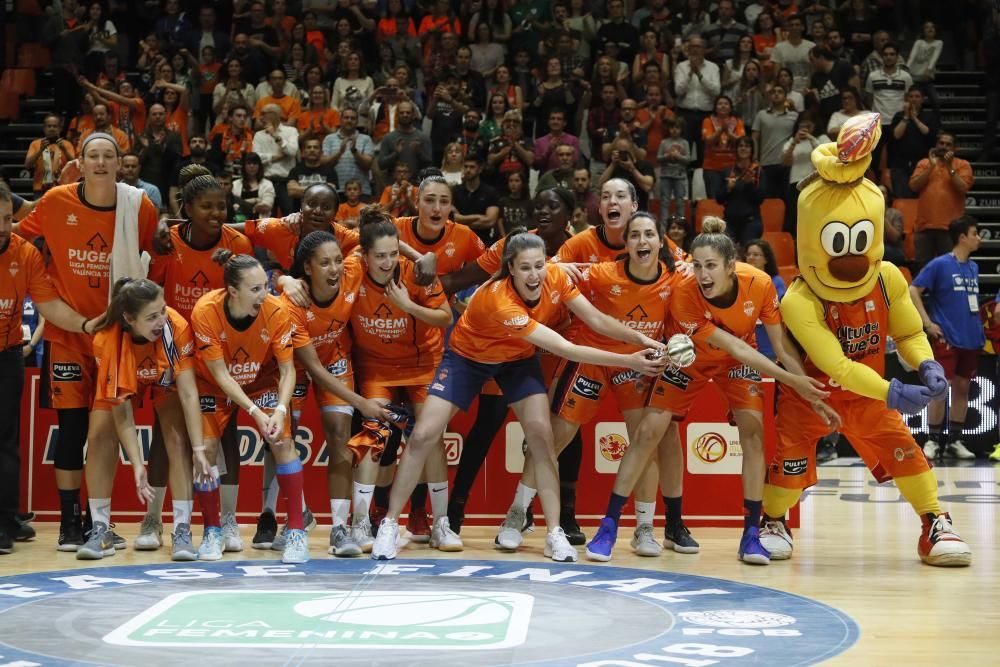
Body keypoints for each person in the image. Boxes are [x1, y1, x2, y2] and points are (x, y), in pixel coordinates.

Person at [371, 228, 668, 561]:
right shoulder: (499, 299)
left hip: (516, 360)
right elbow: (565, 347)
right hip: (469, 359)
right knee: (424, 434)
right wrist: (629, 360)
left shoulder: (555, 276)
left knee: (542, 436)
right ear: (510, 268)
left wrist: (642, 340)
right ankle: (390, 526)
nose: (535, 274)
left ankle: (554, 532)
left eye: (539, 265)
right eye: (525, 267)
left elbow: (597, 319)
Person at [761, 113, 971, 568]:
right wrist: (895, 390)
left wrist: (926, 364)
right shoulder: (800, 296)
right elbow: (835, 365)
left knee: (907, 453)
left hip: (868, 394)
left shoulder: (888, 276)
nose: (852, 255)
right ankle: (772, 519)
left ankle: (935, 523)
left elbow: (909, 331)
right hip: (812, 395)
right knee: (788, 474)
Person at [590, 216, 831, 564]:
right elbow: (737, 347)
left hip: (737, 364)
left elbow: (780, 348)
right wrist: (793, 381)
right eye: (698, 265)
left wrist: (807, 390)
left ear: (731, 266)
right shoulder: (685, 293)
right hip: (691, 358)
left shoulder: (760, 284)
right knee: (648, 432)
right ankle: (609, 525)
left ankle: (751, 534)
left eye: (711, 267)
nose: (703, 275)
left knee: (753, 435)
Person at [14, 134, 166, 551]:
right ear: (79, 164)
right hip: (68, 334)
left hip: (116, 338)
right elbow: (17, 241)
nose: (100, 163)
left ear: (120, 164)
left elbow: (156, 257)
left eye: (108, 156)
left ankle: (99, 521)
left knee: (107, 432)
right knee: (71, 428)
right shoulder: (55, 202)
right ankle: (69, 522)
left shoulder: (140, 206)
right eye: (93, 156)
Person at [501, 212, 681, 559]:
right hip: (593, 359)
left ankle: (644, 528)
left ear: (662, 242)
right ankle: (518, 513)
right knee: (553, 438)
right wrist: (555, 266)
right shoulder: (601, 273)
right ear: (625, 244)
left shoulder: (677, 278)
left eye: (649, 235)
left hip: (638, 366)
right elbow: (549, 274)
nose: (642, 242)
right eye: (635, 236)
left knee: (645, 444)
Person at [441, 187, 574, 531]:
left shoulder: (580, 248)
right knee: (488, 422)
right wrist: (423, 287)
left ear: (568, 215)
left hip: (556, 348)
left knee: (563, 429)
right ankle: (456, 507)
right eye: (538, 206)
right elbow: (465, 278)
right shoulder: (513, 246)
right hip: (511, 349)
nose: (543, 212)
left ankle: (560, 516)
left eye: (552, 206)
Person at [139, 170, 253, 551]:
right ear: (187, 209)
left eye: (222, 206)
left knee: (227, 437)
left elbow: (248, 303)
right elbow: (153, 295)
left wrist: (233, 268)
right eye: (206, 206)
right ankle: (152, 520)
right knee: (164, 435)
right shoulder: (166, 242)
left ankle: (228, 521)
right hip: (173, 348)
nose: (216, 213)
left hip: (219, 352)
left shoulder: (238, 244)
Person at [0, 182, 114, 553]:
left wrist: (84, 324)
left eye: (6, 219)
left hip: (8, 354)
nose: (2, 227)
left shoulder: (26, 254)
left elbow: (48, 305)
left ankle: (6, 518)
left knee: (7, 441)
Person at [349, 207, 457, 551]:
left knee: (430, 437)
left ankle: (441, 523)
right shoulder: (352, 271)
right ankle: (361, 524)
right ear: (363, 255)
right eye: (379, 256)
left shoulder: (415, 274)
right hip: (377, 369)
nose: (387, 262)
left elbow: (444, 318)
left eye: (393, 254)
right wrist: (285, 280)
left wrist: (408, 306)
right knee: (375, 435)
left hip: (422, 364)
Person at [190, 250, 306, 564]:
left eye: (265, 286)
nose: (263, 295)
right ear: (232, 291)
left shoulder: (276, 310)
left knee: (282, 439)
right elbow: (220, 374)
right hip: (214, 385)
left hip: (261, 380)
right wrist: (254, 411)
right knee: (207, 448)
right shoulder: (205, 312)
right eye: (255, 289)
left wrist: (280, 410)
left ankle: (296, 531)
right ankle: (213, 530)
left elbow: (287, 371)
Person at [282, 230, 392, 555]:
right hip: (297, 366)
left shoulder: (352, 271)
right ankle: (291, 519)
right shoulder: (292, 305)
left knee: (340, 434)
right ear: (307, 268)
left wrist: (420, 257)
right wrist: (362, 403)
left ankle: (340, 529)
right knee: (285, 438)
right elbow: (312, 368)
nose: (333, 269)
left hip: (336, 359)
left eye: (336, 262)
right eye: (324, 263)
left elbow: (383, 236)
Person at [84, 278, 205, 561]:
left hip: (166, 382)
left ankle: (182, 529)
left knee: (177, 438)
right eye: (151, 317)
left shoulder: (176, 328)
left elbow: (189, 395)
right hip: (128, 378)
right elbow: (122, 412)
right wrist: (138, 465)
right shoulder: (106, 341)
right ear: (129, 319)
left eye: (162, 310)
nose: (161, 320)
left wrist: (199, 449)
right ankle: (100, 529)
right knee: (99, 434)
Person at [910, 217, 983, 461]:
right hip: (947, 337)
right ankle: (932, 439)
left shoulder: (973, 267)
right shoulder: (939, 265)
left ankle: (954, 440)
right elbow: (913, 290)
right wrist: (928, 323)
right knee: (941, 388)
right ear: (962, 237)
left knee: (963, 388)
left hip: (971, 338)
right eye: (975, 233)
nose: (979, 238)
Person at [909, 132, 974, 267]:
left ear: (955, 149)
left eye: (948, 144)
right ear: (936, 145)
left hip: (950, 229)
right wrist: (932, 166)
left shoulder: (963, 165)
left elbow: (963, 188)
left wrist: (950, 167)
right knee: (922, 270)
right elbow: (913, 186)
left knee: (951, 269)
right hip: (924, 226)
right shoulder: (924, 163)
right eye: (941, 143)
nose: (944, 147)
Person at [886, 86, 938, 199]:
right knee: (903, 200)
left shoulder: (929, 116)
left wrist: (914, 119)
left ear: (923, 99)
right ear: (907, 99)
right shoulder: (899, 116)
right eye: (911, 96)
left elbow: (929, 134)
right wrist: (906, 117)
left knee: (923, 199)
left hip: (923, 165)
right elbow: (896, 135)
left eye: (917, 96)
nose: (914, 99)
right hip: (901, 166)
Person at [674, 36, 721, 155]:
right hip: (685, 114)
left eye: (698, 47)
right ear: (688, 49)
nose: (695, 50)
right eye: (692, 47)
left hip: (706, 116)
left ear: (704, 49)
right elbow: (678, 91)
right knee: (683, 150)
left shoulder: (712, 67)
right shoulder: (681, 67)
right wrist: (690, 74)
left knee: (704, 151)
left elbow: (716, 91)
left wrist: (699, 75)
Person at [742, 238, 787, 360]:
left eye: (756, 255)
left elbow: (778, 309)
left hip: (767, 338)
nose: (751, 257)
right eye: (748, 254)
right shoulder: (739, 281)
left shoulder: (776, 282)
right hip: (745, 340)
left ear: (766, 259)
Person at [252, 104, 299, 216]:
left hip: (286, 182)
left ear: (274, 115)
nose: (260, 118)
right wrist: (278, 156)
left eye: (263, 114)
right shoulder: (258, 135)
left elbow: (292, 151)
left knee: (290, 218)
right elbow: (256, 158)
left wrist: (275, 135)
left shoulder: (291, 131)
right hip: (266, 182)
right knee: (266, 220)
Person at [752, 84, 798, 199]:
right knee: (768, 201)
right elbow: (754, 137)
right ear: (769, 96)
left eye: (780, 91)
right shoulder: (761, 115)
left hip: (787, 164)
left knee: (787, 199)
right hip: (766, 163)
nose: (776, 94)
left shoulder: (795, 116)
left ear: (785, 96)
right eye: (773, 92)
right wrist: (755, 158)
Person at [321, 108, 376, 200]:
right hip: (335, 190)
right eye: (346, 117)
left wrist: (354, 151)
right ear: (340, 120)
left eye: (352, 118)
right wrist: (340, 152)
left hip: (361, 191)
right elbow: (324, 164)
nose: (349, 120)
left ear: (357, 121)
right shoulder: (329, 139)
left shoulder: (366, 139)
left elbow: (368, 165)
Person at [717, 137, 763, 243]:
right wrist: (728, 188)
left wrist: (749, 185)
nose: (743, 148)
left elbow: (760, 199)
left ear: (751, 150)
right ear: (736, 150)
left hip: (751, 221)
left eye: (747, 146)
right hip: (730, 221)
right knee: (724, 250)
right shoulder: (727, 171)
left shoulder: (758, 171)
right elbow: (719, 199)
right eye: (740, 146)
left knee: (748, 251)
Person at [702, 95, 746, 199]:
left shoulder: (738, 122)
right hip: (711, 167)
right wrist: (721, 130)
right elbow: (708, 141)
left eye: (726, 104)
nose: (723, 106)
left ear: (730, 107)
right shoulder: (708, 121)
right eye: (720, 104)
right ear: (715, 107)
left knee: (733, 198)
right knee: (713, 199)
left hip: (732, 166)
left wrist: (728, 133)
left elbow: (741, 142)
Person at [451, 158, 501, 246]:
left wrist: (462, 220)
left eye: (472, 167)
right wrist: (479, 217)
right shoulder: (455, 191)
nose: (468, 170)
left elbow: (490, 221)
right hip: (458, 241)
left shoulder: (490, 192)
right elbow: (451, 219)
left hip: (483, 242)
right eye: (465, 167)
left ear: (480, 169)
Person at [25, 115, 76, 197]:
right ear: (44, 128)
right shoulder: (36, 144)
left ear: (60, 128)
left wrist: (64, 150)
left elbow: (75, 166)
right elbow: (27, 165)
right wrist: (40, 150)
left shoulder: (67, 144)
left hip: (61, 188)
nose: (52, 129)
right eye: (49, 126)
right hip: (40, 189)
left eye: (55, 126)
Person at [287, 136, 338, 212]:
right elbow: (292, 191)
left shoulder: (330, 170)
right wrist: (322, 189)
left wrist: (301, 190)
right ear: (303, 152)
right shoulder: (295, 170)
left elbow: (331, 192)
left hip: (322, 214)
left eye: (315, 147)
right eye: (309, 147)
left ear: (321, 152)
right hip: (299, 214)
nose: (312, 150)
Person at [657, 118, 691, 224]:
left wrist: (678, 156)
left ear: (681, 129)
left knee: (680, 201)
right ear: (669, 129)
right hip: (665, 175)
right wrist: (667, 156)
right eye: (672, 127)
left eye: (677, 128)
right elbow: (658, 158)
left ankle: (680, 225)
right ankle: (663, 228)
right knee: (665, 201)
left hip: (680, 176)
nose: (674, 130)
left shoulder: (684, 143)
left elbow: (688, 160)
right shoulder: (664, 142)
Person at [770, 14, 815, 93]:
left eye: (797, 25)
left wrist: (808, 89)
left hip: (807, 90)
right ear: (787, 28)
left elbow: (814, 72)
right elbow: (776, 74)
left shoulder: (811, 46)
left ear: (803, 27)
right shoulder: (779, 47)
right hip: (786, 91)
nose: (794, 27)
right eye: (791, 25)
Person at [233, 152, 276, 217]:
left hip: (260, 222)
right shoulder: (235, 184)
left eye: (255, 163)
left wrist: (241, 203)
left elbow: (267, 207)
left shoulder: (267, 184)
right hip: (238, 221)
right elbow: (233, 206)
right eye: (249, 163)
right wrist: (256, 200)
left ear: (259, 166)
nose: (252, 166)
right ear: (244, 166)